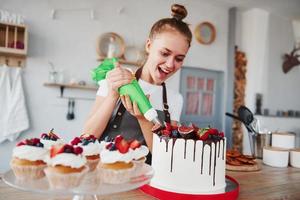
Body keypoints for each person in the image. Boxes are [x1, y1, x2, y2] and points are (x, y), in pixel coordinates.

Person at [83, 4, 192, 164]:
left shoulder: (175, 98)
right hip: (104, 173)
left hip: (144, 180)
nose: (170, 64)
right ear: (149, 45)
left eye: (179, 58)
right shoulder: (118, 77)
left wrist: (143, 118)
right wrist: (113, 94)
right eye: (164, 53)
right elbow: (86, 137)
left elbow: (166, 156)